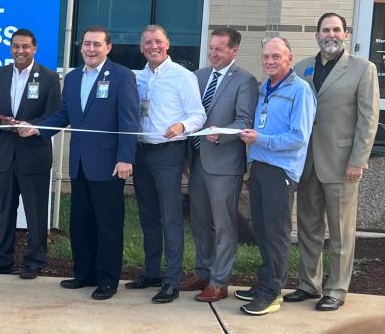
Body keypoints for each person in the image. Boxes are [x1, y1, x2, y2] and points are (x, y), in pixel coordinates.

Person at [18, 26, 139, 300]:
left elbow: (130, 120)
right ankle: (84, 273)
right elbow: (63, 115)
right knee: (81, 222)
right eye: (86, 44)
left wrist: (125, 157)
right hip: (80, 163)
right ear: (81, 47)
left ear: (108, 47)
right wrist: (36, 128)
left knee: (108, 224)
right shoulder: (72, 78)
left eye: (97, 44)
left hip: (109, 164)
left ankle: (107, 280)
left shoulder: (122, 76)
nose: (91, 49)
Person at [286, 13, 379, 311]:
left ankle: (336, 289)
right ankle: (308, 284)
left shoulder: (363, 69)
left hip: (342, 163)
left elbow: (368, 120)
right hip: (307, 161)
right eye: (325, 30)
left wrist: (358, 161)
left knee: (340, 231)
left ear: (346, 34)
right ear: (317, 35)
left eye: (336, 30)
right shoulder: (301, 69)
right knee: (308, 227)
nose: (331, 35)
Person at [235, 37, 316, 316]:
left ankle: (272, 293)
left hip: (280, 170)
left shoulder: (300, 91)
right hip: (258, 166)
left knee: (276, 232)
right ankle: (264, 281)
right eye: (266, 57)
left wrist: (261, 140)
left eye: (276, 57)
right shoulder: (263, 89)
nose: (270, 61)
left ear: (289, 59)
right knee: (262, 229)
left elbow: (298, 136)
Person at [128, 24, 205, 303]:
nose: (153, 47)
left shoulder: (182, 77)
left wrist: (182, 125)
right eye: (148, 42)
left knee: (170, 217)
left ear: (168, 44)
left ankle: (171, 280)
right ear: (141, 47)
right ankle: (151, 272)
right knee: (147, 215)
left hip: (168, 153)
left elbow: (199, 115)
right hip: (141, 152)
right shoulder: (136, 78)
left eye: (158, 42)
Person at [180, 28, 257, 302]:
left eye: (220, 49)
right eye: (211, 48)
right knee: (200, 222)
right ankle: (203, 272)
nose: (213, 53)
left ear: (234, 50)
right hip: (197, 161)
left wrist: (221, 132)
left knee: (223, 225)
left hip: (224, 163)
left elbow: (245, 121)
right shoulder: (199, 76)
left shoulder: (245, 80)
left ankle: (219, 281)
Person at [0, 29, 60, 279]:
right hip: (5, 154)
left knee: (35, 211)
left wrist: (33, 128)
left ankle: (35, 261)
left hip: (34, 155)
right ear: (10, 48)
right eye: (16, 46)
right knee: (6, 210)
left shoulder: (48, 78)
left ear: (35, 48)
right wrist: (1, 122)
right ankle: (3, 259)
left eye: (25, 46)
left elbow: (54, 116)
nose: (20, 51)